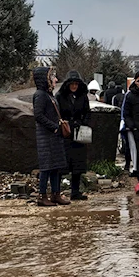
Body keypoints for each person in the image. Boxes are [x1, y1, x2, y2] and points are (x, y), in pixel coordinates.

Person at [32, 67, 70, 207]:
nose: (56, 79)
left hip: (54, 137)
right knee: (46, 168)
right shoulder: (40, 95)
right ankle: (42, 196)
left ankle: (56, 194)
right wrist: (54, 127)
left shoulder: (49, 94)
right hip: (46, 137)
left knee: (56, 166)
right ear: (45, 79)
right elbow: (38, 115)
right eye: (52, 76)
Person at [57, 70, 91, 201]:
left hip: (79, 132)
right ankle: (57, 191)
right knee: (62, 163)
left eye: (76, 84)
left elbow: (87, 112)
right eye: (72, 84)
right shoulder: (60, 96)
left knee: (78, 164)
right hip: (65, 132)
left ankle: (75, 191)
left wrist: (83, 123)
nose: (74, 86)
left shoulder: (82, 96)